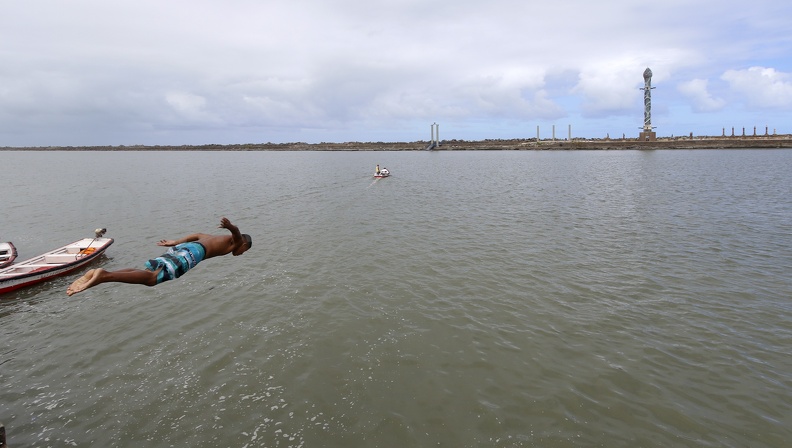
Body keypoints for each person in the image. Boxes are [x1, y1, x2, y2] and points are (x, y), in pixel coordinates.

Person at [67, 217, 252, 296]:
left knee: (149, 272)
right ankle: (105, 276)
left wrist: (175, 242)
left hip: (187, 248)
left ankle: (103, 275)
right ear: (243, 244)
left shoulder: (212, 238)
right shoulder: (235, 241)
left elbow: (196, 235)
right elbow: (237, 232)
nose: (241, 254)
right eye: (245, 251)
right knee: (152, 279)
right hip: (194, 254)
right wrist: (230, 226)